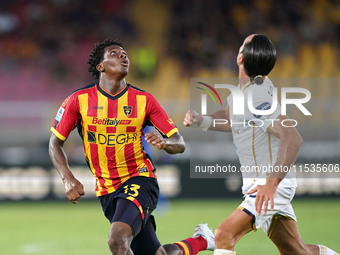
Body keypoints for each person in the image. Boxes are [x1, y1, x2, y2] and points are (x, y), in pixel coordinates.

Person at [49, 38, 215, 255]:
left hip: (140, 179)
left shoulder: (144, 100)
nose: (123, 56)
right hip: (107, 190)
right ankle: (202, 240)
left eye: (124, 53)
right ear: (100, 66)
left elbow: (179, 143)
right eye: (114, 53)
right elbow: (55, 143)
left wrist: (164, 142)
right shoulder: (78, 100)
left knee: (117, 240)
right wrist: (67, 178)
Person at [184, 34, 339, 255]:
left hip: (268, 187)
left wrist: (272, 185)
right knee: (297, 251)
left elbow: (292, 138)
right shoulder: (248, 93)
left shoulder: (256, 97)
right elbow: (230, 119)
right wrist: (202, 121)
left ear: (240, 58)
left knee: (223, 235)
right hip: (262, 186)